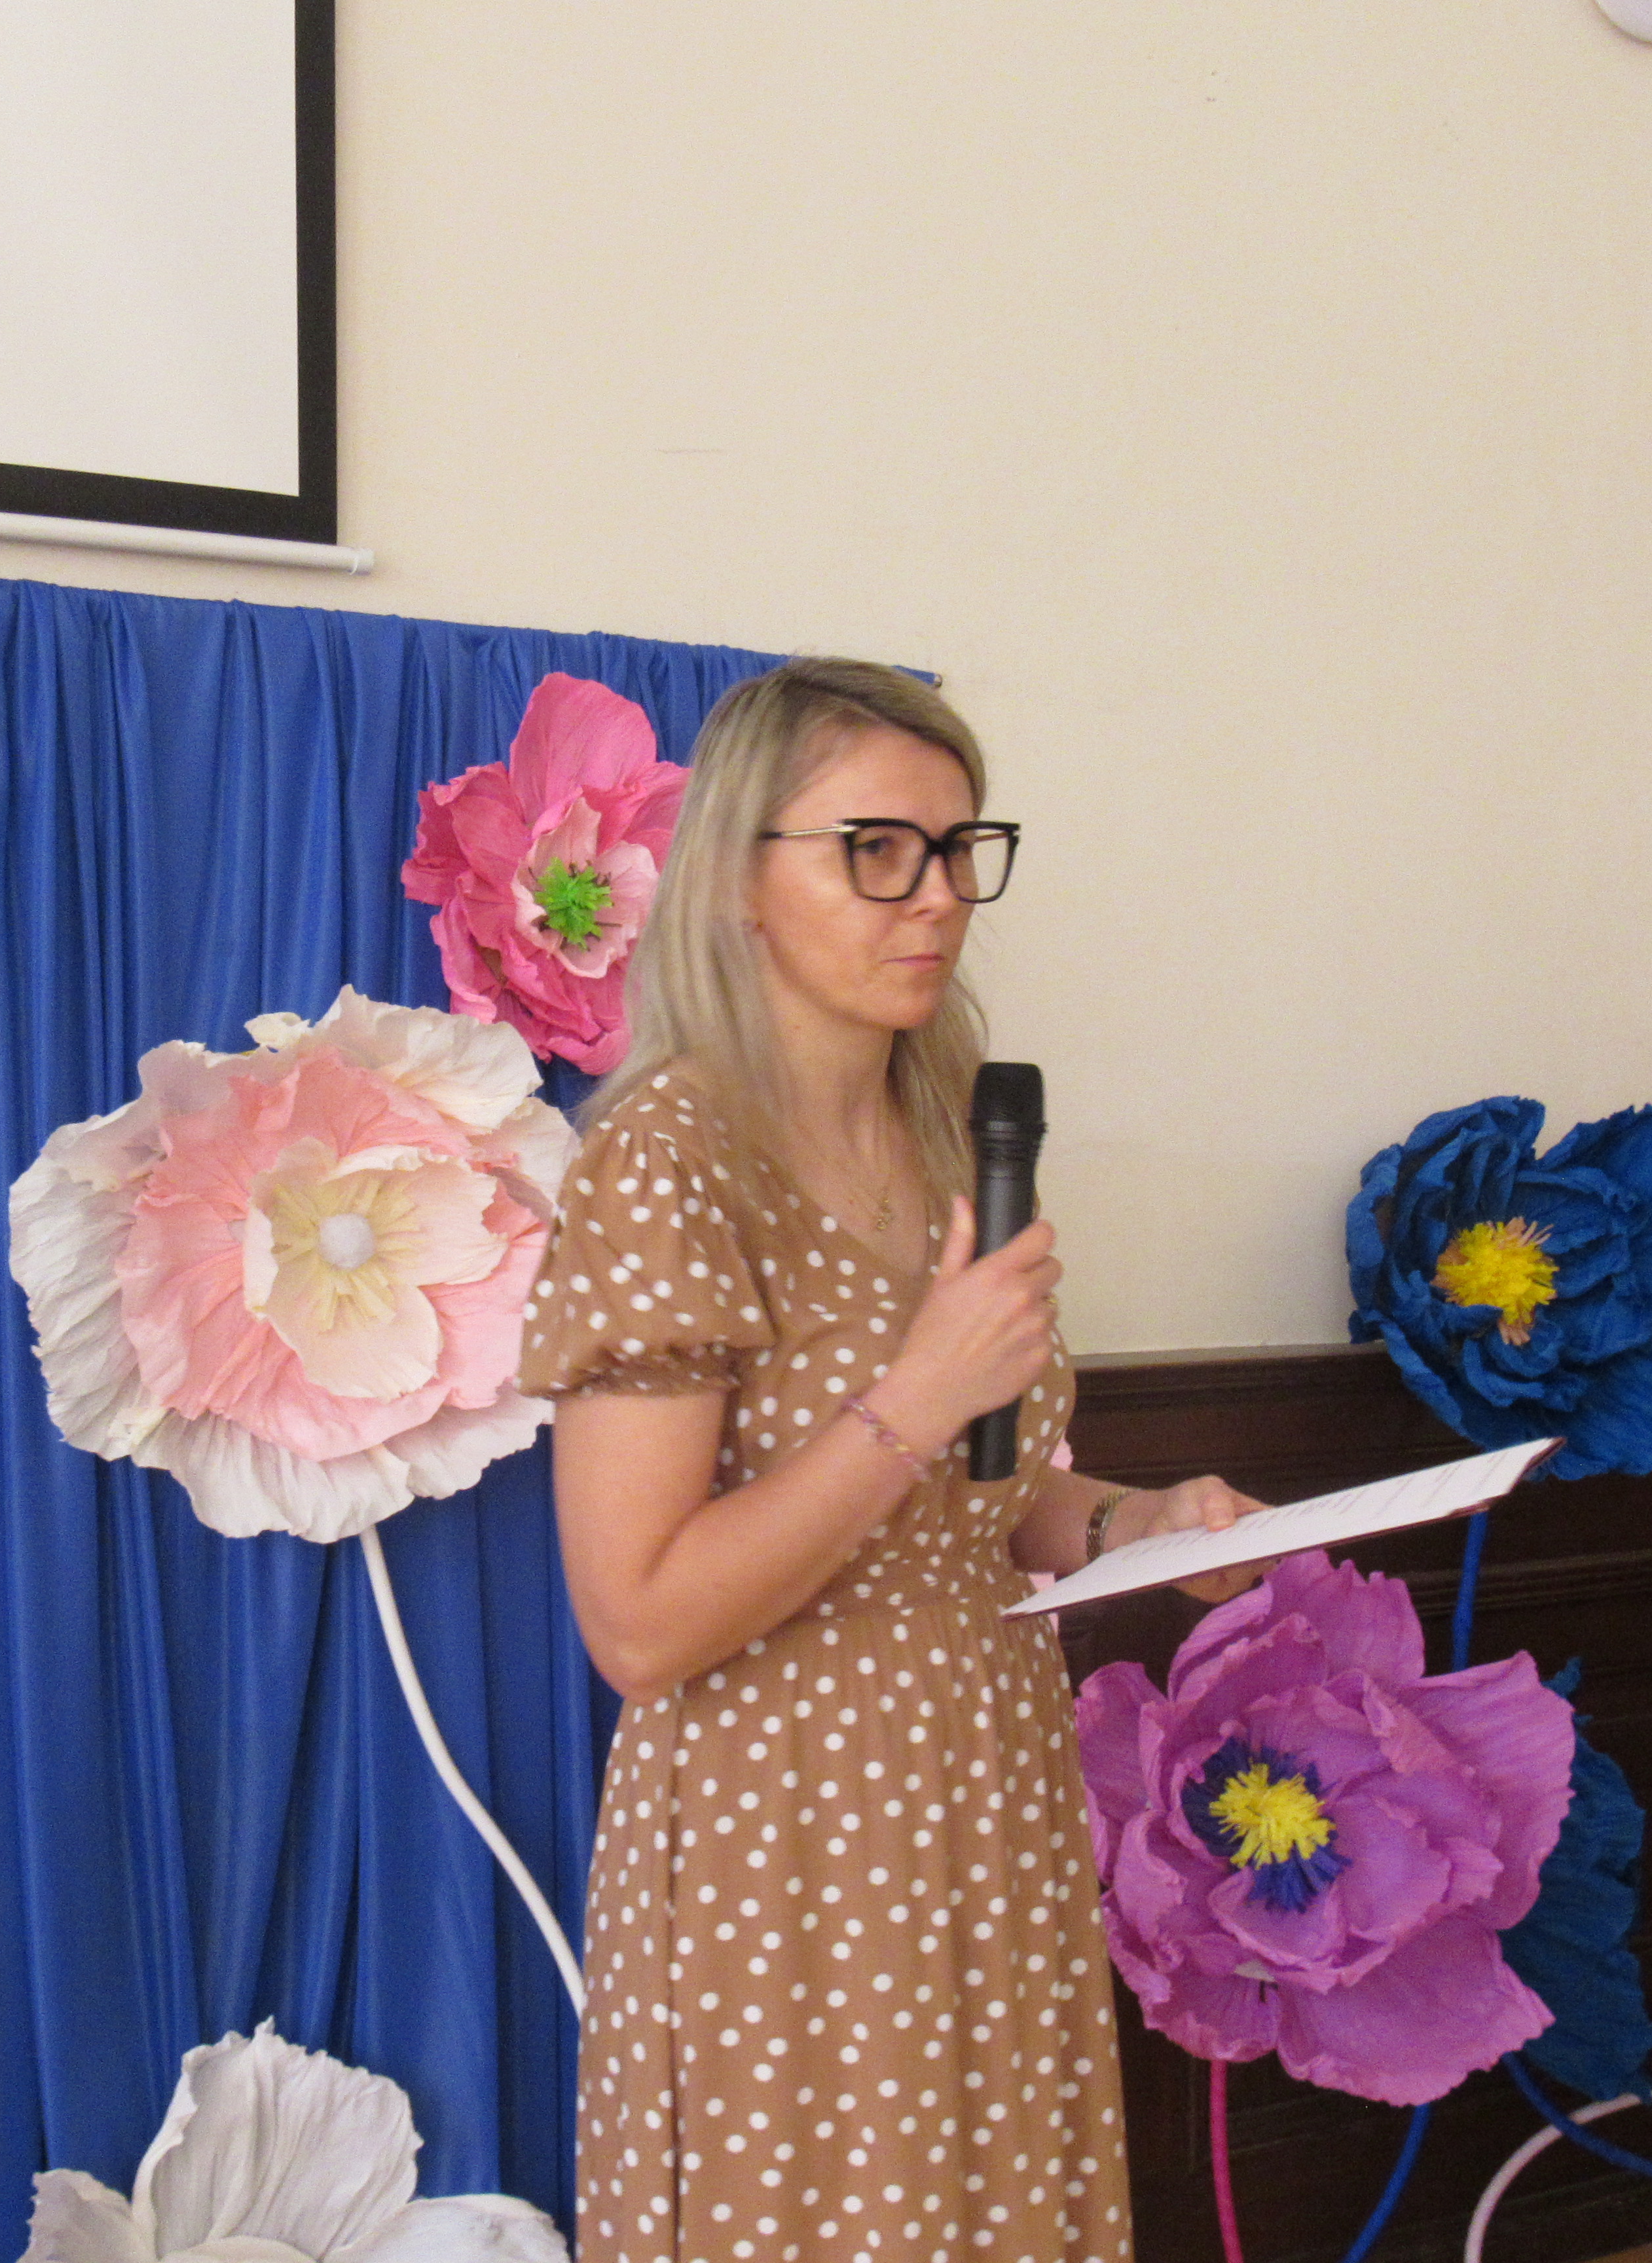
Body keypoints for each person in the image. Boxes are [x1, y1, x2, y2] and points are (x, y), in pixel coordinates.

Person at [518, 657, 1264, 2263]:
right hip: (786, 1825)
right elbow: (638, 1622)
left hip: (984, 1779)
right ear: (738, 879)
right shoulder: (665, 1159)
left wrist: (1138, 1521)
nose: (936, 896)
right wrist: (917, 1396)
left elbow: (985, 1499)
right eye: (877, 850)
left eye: (957, 849)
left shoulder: (950, 1137)